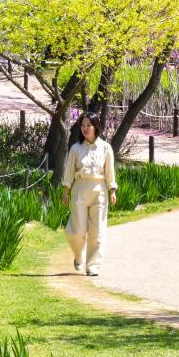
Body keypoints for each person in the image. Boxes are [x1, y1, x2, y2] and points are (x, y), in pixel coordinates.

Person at [61, 113, 117, 276]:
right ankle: (79, 256)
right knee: (77, 230)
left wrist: (112, 190)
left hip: (99, 190)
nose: (85, 129)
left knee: (97, 230)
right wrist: (66, 191)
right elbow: (69, 171)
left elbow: (110, 171)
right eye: (82, 125)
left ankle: (93, 265)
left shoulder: (106, 147)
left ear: (96, 127)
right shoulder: (76, 148)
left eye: (88, 125)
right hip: (79, 189)